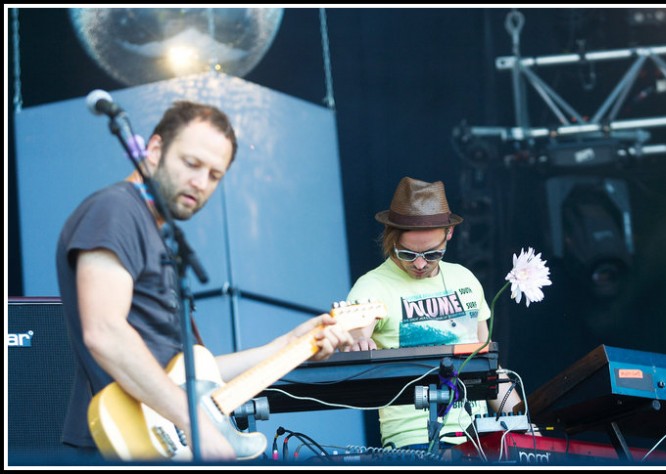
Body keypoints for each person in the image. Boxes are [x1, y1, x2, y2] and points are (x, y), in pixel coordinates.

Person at [55, 100, 354, 462]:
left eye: (215, 175)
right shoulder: (115, 210)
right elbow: (104, 333)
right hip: (124, 443)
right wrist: (192, 421)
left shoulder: (159, 236)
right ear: (154, 149)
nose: (200, 182)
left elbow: (197, 378)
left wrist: (289, 344)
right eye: (191, 164)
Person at [345, 176, 523, 451]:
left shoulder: (465, 279)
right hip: (412, 440)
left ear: (449, 234)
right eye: (407, 253)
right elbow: (355, 337)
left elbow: (488, 363)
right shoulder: (371, 286)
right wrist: (357, 342)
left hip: (476, 435)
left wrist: (522, 421)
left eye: (431, 254)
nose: (419, 264)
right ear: (392, 236)